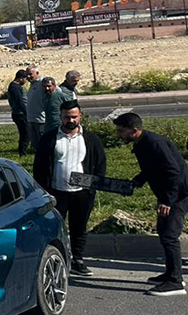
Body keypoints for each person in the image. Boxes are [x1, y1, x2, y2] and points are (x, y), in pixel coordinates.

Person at [114, 112, 188, 296]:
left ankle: (176, 282)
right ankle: (170, 273)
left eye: (121, 131)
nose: (118, 134)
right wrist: (137, 181)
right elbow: (151, 169)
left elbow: (174, 172)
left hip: (179, 194)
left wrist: (167, 201)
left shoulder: (155, 143)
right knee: (164, 233)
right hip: (169, 194)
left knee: (170, 235)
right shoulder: (142, 144)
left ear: (134, 130)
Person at [33, 101, 105, 276]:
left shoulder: (90, 139)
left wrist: (94, 186)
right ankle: (56, 260)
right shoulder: (50, 138)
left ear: (80, 116)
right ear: (61, 117)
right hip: (56, 192)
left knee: (79, 227)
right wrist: (42, 191)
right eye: (67, 117)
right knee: (55, 228)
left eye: (74, 116)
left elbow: (100, 164)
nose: (71, 120)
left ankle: (78, 260)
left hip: (82, 193)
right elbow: (40, 166)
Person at [7, 69, 30, 156]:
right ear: (20, 78)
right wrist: (26, 112)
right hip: (20, 114)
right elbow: (19, 101)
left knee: (25, 133)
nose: (25, 81)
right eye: (25, 79)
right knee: (25, 134)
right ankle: (22, 153)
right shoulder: (15, 88)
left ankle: (23, 151)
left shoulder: (15, 87)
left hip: (20, 113)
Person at [25, 66, 46, 150]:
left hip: (41, 120)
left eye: (30, 74)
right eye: (27, 75)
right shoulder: (32, 85)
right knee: (35, 145)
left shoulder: (42, 83)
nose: (28, 77)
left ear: (37, 73)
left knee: (42, 144)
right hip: (31, 119)